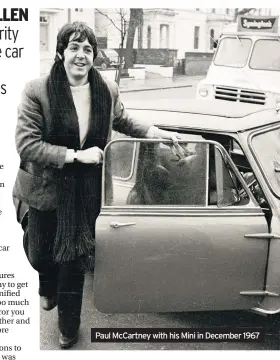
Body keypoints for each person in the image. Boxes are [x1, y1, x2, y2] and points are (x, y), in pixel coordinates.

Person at [12, 21, 180, 349]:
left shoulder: (106, 90)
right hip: (46, 188)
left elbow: (123, 120)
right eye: (74, 47)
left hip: (86, 191)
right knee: (40, 255)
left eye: (88, 49)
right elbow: (26, 145)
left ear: (94, 56)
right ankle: (46, 284)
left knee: (73, 261)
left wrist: (156, 133)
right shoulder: (37, 90)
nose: (81, 55)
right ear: (61, 53)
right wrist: (76, 156)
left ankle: (68, 328)